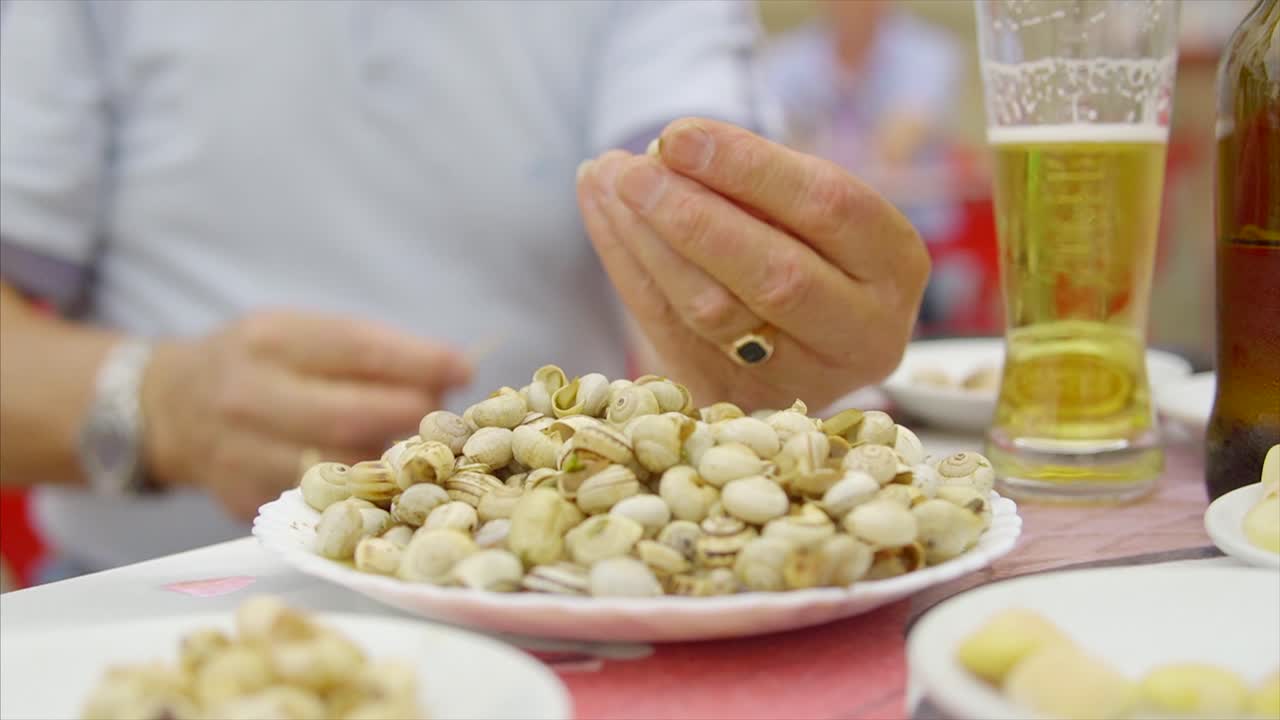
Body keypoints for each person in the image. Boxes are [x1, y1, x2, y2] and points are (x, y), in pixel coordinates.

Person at [0, 0, 928, 579]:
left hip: (561, 589)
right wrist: (157, 405)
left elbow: (704, 194)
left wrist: (765, 308)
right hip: (159, 591)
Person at [765, 0, 976, 330]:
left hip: (919, 240)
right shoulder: (786, 58)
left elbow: (900, 139)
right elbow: (776, 144)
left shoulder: (931, 52)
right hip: (818, 239)